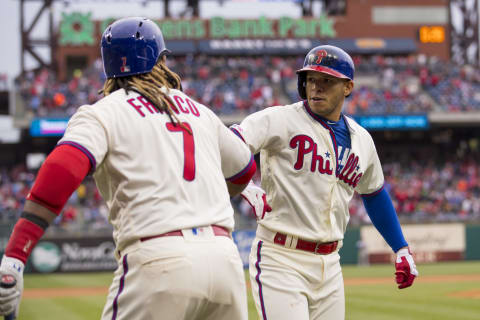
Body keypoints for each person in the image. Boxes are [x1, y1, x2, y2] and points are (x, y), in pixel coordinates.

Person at [0, 17, 256, 320]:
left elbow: (62, 170)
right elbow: (243, 171)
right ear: (161, 61)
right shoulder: (199, 110)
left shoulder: (105, 112)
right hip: (224, 260)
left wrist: (16, 256)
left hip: (159, 259)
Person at [233, 45, 418, 320]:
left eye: (326, 81)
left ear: (347, 87)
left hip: (330, 263)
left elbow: (374, 193)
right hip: (280, 257)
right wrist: (244, 185)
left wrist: (400, 247)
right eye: (311, 79)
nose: (316, 87)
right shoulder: (280, 119)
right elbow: (228, 143)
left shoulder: (362, 139)